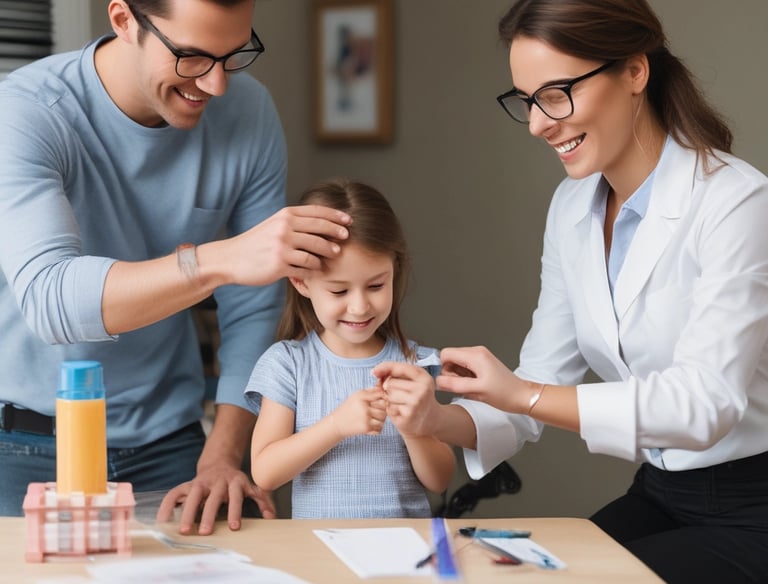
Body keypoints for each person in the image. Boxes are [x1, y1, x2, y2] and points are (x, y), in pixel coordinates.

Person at [374, 0, 768, 581]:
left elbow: (704, 404)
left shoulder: (736, 202)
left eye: (556, 93)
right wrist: (435, 419)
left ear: (635, 71)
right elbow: (539, 379)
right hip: (660, 491)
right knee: (518, 574)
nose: (538, 124)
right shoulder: (572, 206)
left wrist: (523, 394)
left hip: (753, 508)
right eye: (527, 101)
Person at [0, 0, 352, 534]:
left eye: (232, 56)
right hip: (22, 445)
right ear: (123, 21)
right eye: (191, 57)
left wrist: (223, 455)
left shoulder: (250, 113)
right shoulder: (28, 111)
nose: (216, 85)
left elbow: (254, 309)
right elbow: (53, 303)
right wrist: (220, 259)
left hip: (173, 444)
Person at [245, 179, 455, 518]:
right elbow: (265, 472)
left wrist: (414, 431)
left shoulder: (414, 364)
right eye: (339, 291)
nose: (359, 307)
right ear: (301, 282)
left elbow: (440, 480)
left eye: (376, 285)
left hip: (402, 546)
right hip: (318, 547)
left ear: (394, 270)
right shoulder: (288, 365)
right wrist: (336, 426)